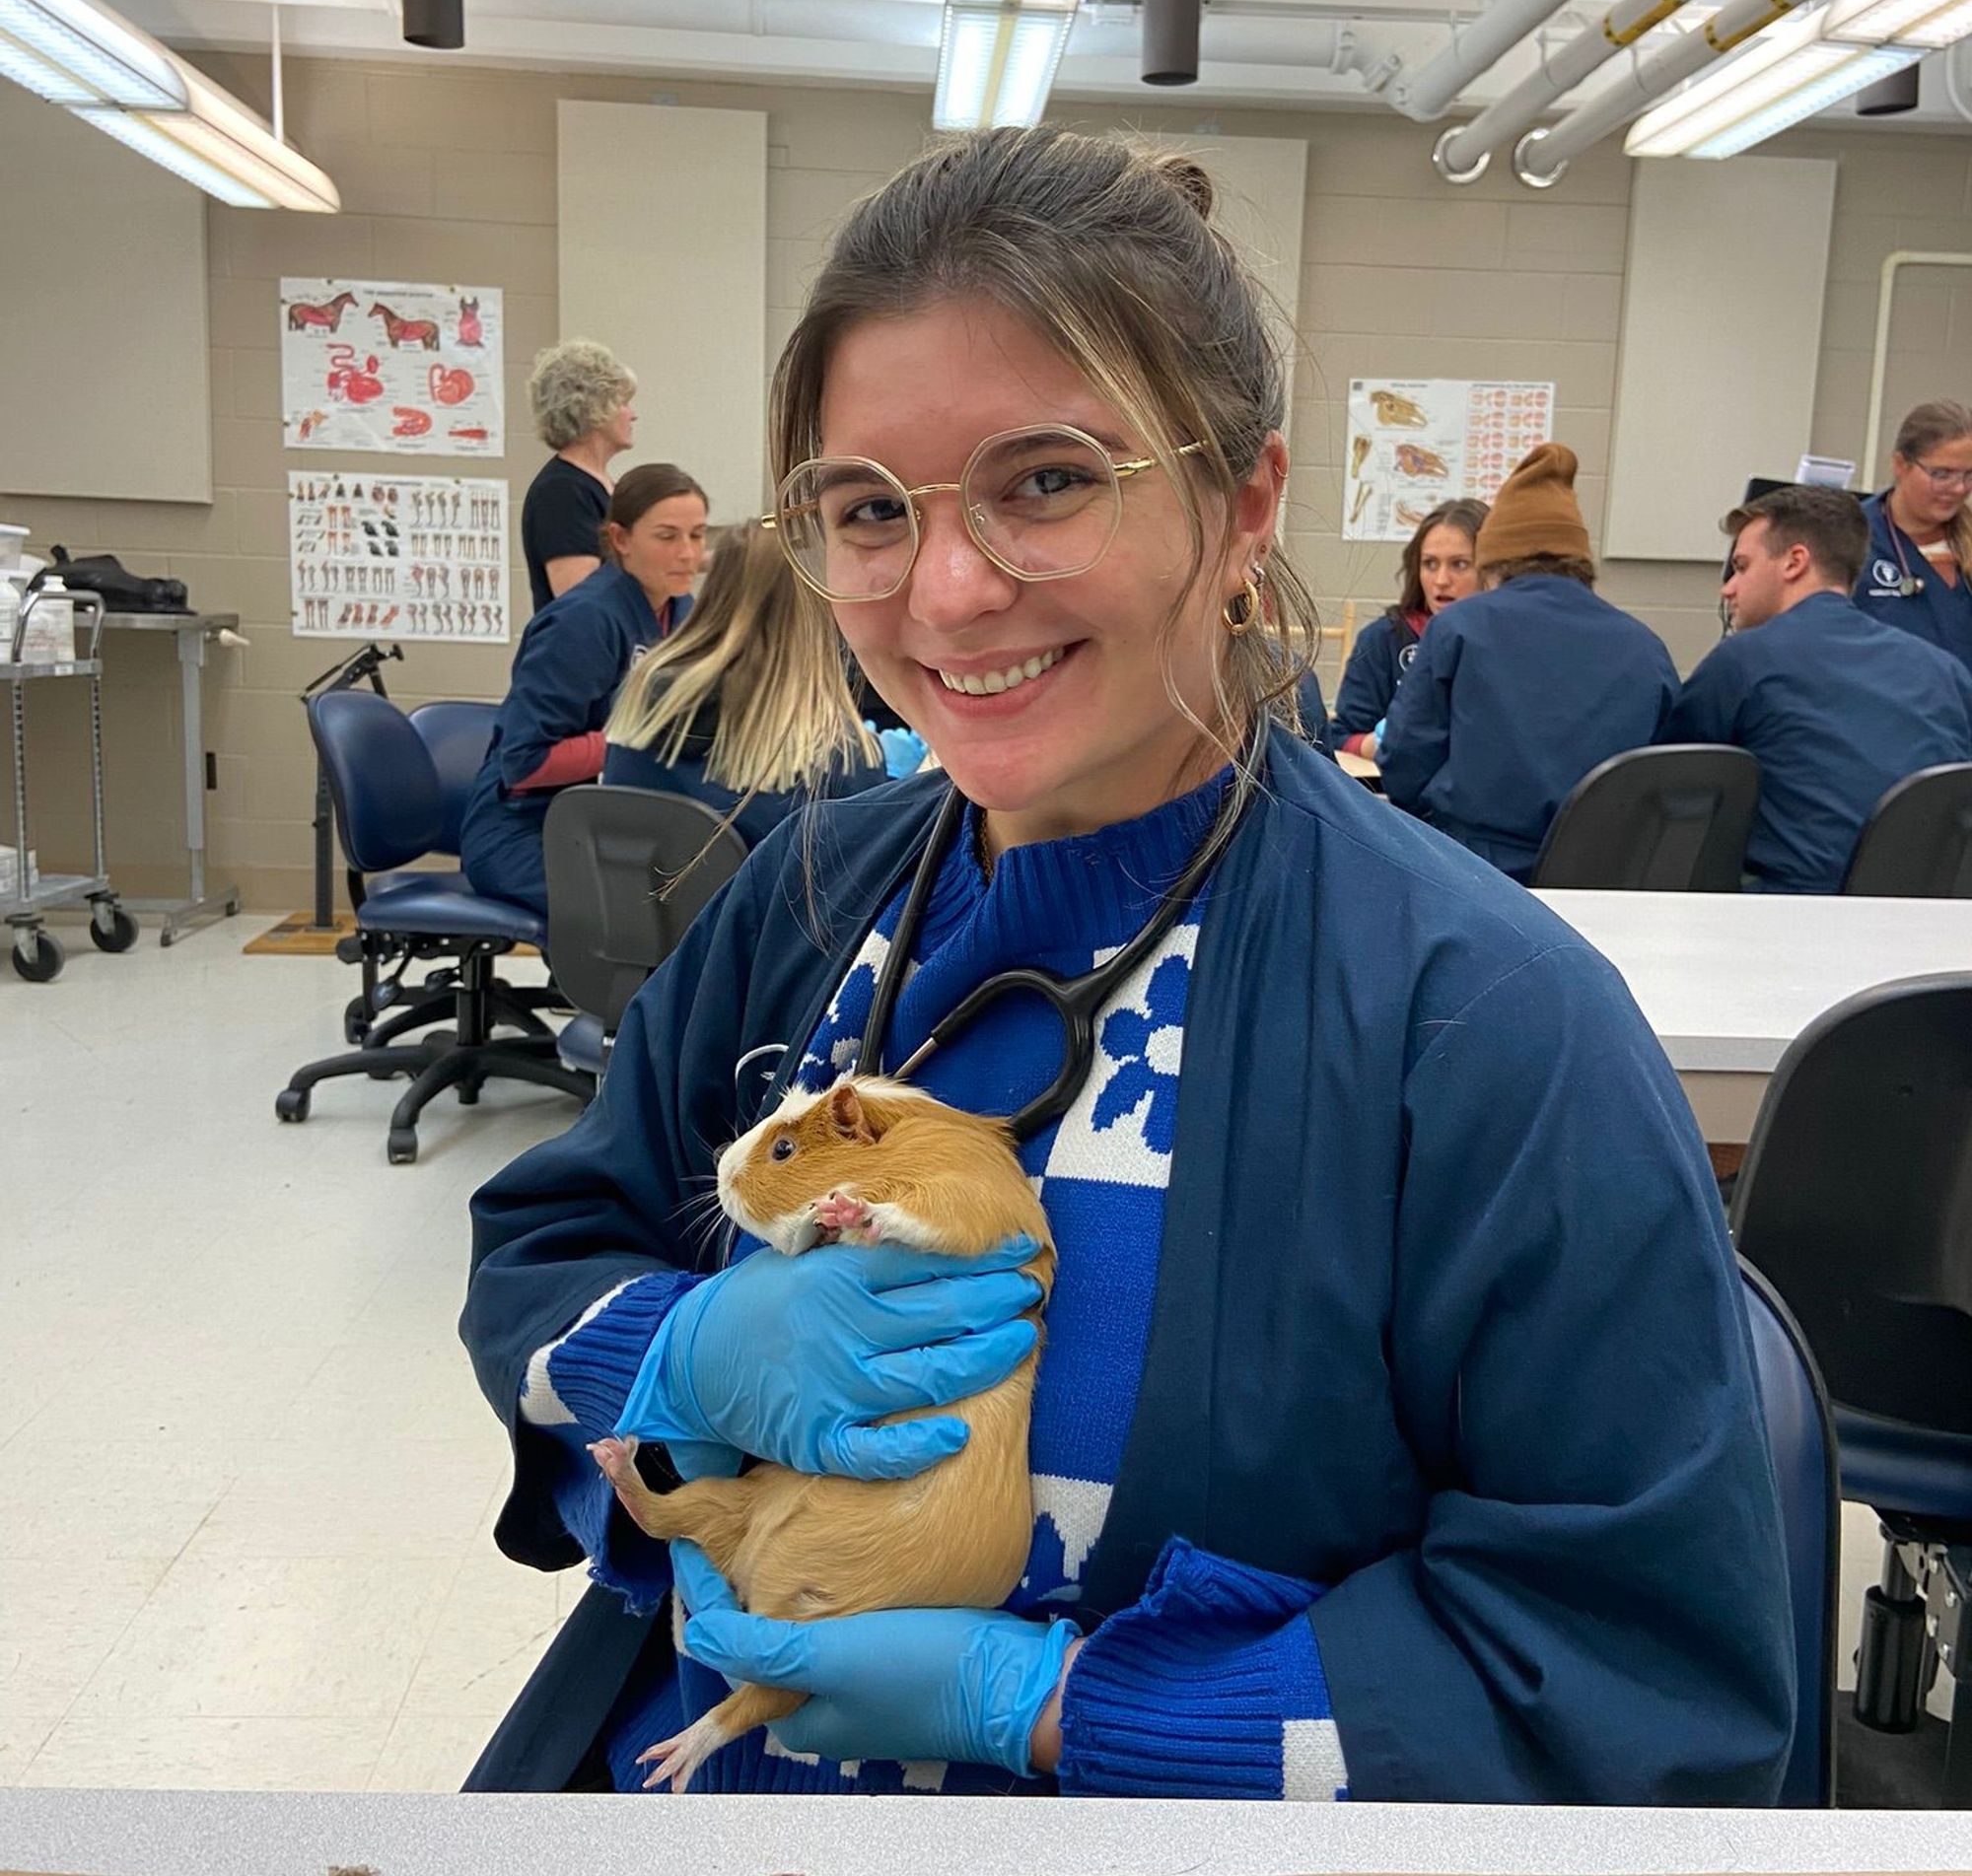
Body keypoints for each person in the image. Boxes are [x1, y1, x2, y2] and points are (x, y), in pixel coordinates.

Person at [460, 128, 1790, 1804]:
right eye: (870, 509)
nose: (944, 592)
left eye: (1048, 481)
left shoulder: (1486, 1025)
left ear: (1241, 506)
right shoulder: (799, 902)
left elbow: (1640, 1669)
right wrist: (668, 1366)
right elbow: (546, 1244)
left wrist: (1061, 1709)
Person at [1379, 444, 1678, 881]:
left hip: (1477, 872)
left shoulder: (1460, 628)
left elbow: (1405, 760)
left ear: (1492, 560)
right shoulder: (1647, 648)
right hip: (1609, 879)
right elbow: (1665, 777)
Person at [1665, 484, 1972, 894]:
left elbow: (1668, 786)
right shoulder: (1945, 671)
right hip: (1931, 917)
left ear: (1794, 562)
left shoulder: (1745, 661)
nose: (1728, 588)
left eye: (1741, 567)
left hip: (1796, 913)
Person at [459, 463, 705, 918]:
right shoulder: (584, 621)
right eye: (668, 537)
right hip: (524, 831)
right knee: (639, 917)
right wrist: (638, 739)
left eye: (698, 535)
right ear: (621, 540)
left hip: (607, 826)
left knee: (699, 897)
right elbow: (524, 762)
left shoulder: (682, 611)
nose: (688, 554)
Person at [601, 519, 888, 848]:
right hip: (762, 901)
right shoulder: (838, 755)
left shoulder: (642, 694)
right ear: (816, 606)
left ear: (716, 588)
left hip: (636, 899)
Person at [1330, 498, 1486, 759]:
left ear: (1490, 569)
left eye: (1459, 564)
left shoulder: (1513, 642)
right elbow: (1340, 737)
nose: (1441, 580)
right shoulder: (1382, 639)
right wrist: (1382, 743)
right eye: (1430, 564)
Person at [1854, 399, 1972, 675]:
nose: (1958, 488)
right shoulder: (1851, 538)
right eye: (1941, 474)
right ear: (1900, 464)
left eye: (1969, 475)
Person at [521, 339, 638, 615]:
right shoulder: (561, 493)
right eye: (624, 403)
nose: (633, 415)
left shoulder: (606, 486)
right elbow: (580, 601)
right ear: (593, 407)